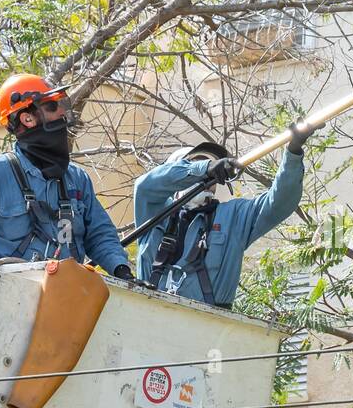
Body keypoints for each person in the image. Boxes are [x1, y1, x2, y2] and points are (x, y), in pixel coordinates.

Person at [0, 74, 133, 279]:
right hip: (9, 295)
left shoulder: (76, 179)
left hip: (66, 295)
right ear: (27, 119)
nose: (63, 111)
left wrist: (121, 270)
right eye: (52, 106)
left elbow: (100, 235)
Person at [132, 126, 311, 308]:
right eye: (195, 163)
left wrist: (293, 153)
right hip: (147, 315)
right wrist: (204, 169)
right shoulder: (155, 213)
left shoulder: (233, 217)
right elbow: (145, 186)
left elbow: (280, 202)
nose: (205, 179)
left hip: (208, 325)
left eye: (213, 170)